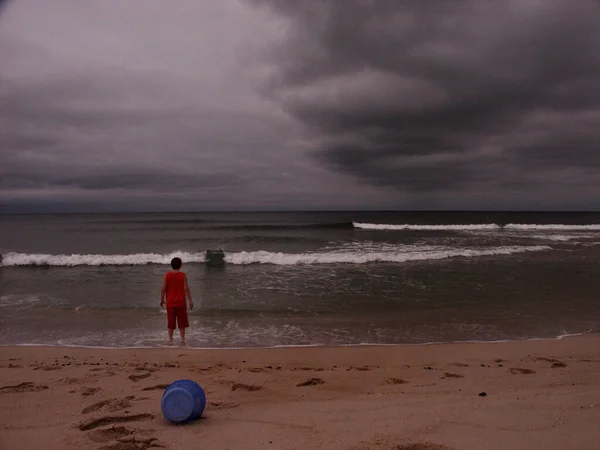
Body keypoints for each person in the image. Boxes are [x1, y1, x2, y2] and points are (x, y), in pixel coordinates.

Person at [160, 257, 194, 345]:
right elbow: (186, 289)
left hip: (170, 303)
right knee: (181, 322)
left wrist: (161, 299)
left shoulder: (167, 275)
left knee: (170, 322)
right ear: (181, 265)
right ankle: (182, 339)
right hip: (180, 303)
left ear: (171, 265)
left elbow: (163, 289)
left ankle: (170, 339)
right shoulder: (183, 275)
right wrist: (190, 301)